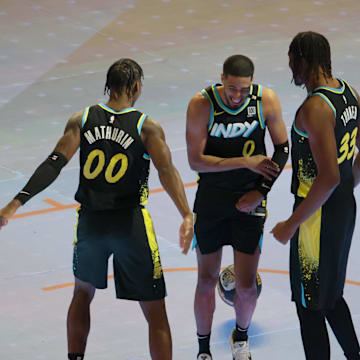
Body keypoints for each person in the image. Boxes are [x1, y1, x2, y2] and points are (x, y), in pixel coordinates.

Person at [0, 58, 194, 360]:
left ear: (108, 86)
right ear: (136, 86)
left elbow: (54, 163)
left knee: (82, 294)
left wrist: (15, 203)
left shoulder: (82, 119)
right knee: (155, 308)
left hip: (91, 222)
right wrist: (186, 213)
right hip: (131, 224)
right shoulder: (147, 127)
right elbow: (166, 171)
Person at [186, 54, 289, 360]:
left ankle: (241, 339)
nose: (236, 96)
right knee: (205, 281)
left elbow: (283, 149)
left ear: (251, 84)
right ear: (222, 79)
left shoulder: (265, 100)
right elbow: (195, 161)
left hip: (249, 202)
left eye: (243, 90)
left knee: (246, 286)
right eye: (231, 88)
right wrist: (245, 161)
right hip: (212, 201)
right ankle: (203, 350)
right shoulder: (201, 104)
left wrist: (261, 191)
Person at [271, 31, 360, 360]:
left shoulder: (314, 108)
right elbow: (343, 172)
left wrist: (291, 224)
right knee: (331, 297)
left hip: (315, 219)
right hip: (341, 208)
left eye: (291, 59)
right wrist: (345, 189)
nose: (290, 65)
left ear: (304, 59)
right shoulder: (349, 93)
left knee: (310, 307)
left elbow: (328, 177)